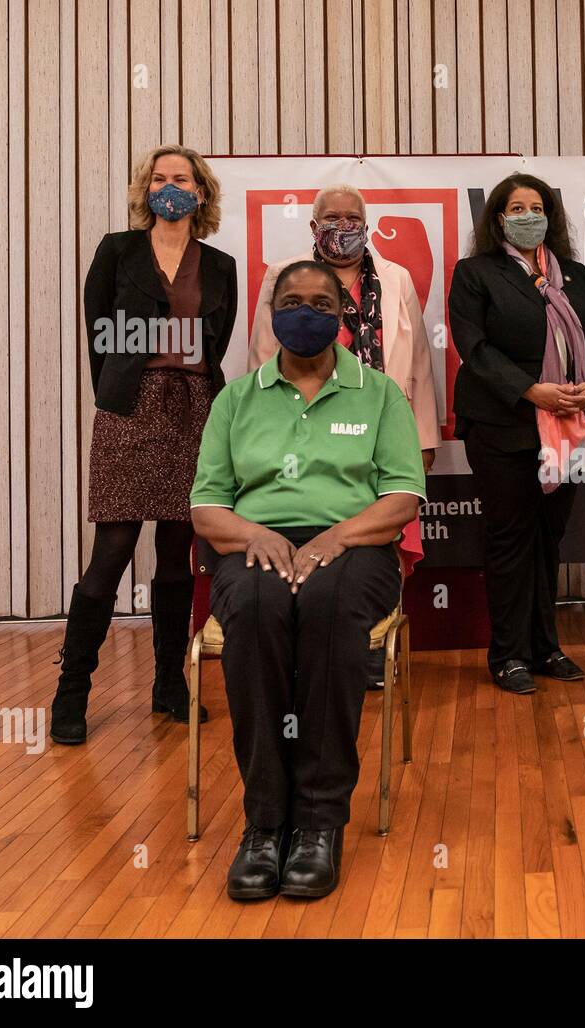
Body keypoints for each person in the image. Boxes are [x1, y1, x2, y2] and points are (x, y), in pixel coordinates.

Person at [190, 261, 426, 900]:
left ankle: (319, 823)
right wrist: (256, 536)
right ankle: (265, 824)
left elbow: (402, 497)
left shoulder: (379, 393)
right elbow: (208, 508)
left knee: (327, 606)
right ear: (270, 312)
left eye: (321, 302)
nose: (305, 311)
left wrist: (335, 538)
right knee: (260, 608)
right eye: (291, 300)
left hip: (354, 547)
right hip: (254, 546)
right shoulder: (236, 399)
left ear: (342, 313)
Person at [50, 144, 238, 746]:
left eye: (180, 179)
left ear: (200, 192)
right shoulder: (116, 250)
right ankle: (70, 694)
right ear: (146, 190)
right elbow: (98, 334)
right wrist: (118, 395)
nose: (168, 187)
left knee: (179, 548)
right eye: (159, 179)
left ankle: (168, 685)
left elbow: (216, 344)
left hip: (194, 409)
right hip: (130, 409)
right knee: (112, 550)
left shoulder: (221, 264)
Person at [246, 183, 439, 685]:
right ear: (313, 227)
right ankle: (311, 647)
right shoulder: (284, 277)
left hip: (381, 429)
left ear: (367, 224)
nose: (342, 226)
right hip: (306, 430)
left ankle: (371, 648)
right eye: (330, 218)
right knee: (315, 531)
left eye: (352, 218)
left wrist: (422, 437)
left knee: (382, 536)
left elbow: (417, 358)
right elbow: (263, 356)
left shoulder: (395, 279)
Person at [447, 173, 585, 695]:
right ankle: (508, 656)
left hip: (567, 426)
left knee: (549, 539)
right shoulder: (475, 273)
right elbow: (474, 349)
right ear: (498, 218)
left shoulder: (576, 276)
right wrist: (531, 391)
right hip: (505, 427)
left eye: (536, 206)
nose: (528, 215)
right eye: (516, 208)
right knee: (510, 540)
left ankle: (546, 647)